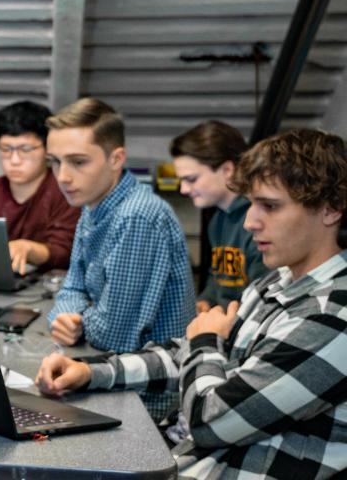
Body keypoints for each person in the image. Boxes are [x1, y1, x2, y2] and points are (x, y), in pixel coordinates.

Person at [36, 128, 347, 479]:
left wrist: (205, 341)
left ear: (331, 208)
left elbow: (211, 421)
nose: (250, 221)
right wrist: (93, 373)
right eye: (252, 203)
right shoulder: (275, 283)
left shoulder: (333, 316)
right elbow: (183, 356)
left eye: (270, 206)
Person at [44, 98, 193, 354]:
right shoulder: (92, 204)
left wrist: (77, 321)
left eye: (78, 162)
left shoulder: (137, 217)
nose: (63, 177)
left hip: (145, 386)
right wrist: (69, 316)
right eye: (55, 161)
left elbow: (112, 335)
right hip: (114, 367)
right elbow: (71, 288)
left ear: (116, 159)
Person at [0, 100, 79, 274]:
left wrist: (28, 249)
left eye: (26, 149)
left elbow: (66, 252)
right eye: (5, 149)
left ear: (47, 149)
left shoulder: (66, 192)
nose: (14, 160)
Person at [170, 121, 267, 313]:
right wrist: (205, 300)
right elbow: (217, 277)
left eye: (191, 179)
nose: (183, 189)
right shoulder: (217, 221)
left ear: (227, 170)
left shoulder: (259, 221)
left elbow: (261, 298)